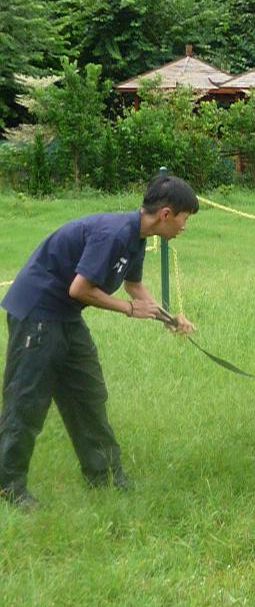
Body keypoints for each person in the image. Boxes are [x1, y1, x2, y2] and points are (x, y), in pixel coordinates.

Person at [0, 174, 198, 510]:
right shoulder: (114, 234)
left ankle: (105, 475)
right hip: (37, 312)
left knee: (88, 394)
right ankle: (8, 486)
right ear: (166, 214)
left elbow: (134, 287)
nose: (184, 227)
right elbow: (79, 288)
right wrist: (127, 310)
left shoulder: (136, 237)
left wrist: (168, 319)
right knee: (27, 400)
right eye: (184, 219)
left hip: (65, 317)